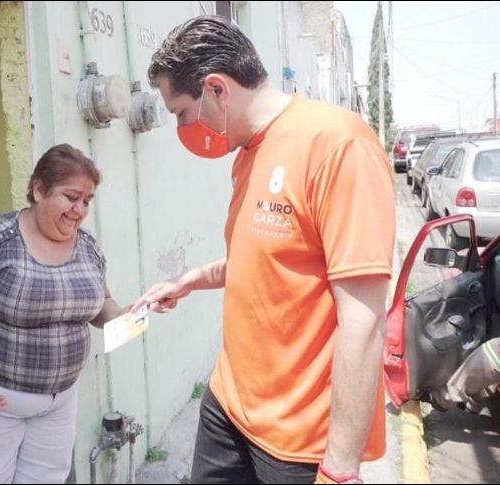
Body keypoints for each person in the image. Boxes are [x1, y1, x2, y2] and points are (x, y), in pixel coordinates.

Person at [131, 16, 396, 484]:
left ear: (216, 89)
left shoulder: (336, 144)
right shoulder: (249, 153)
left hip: (298, 441)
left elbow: (364, 316)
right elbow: (263, 261)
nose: (184, 128)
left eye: (181, 112)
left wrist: (340, 468)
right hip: (228, 405)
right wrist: (190, 280)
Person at [0, 144, 127, 484]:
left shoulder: (87, 245)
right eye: (71, 197)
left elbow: (100, 305)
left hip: (58, 404)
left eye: (87, 200)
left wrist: (130, 317)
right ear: (39, 190)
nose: (79, 210)